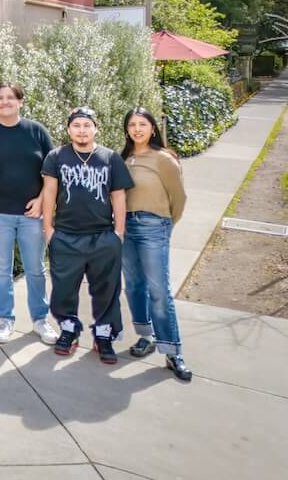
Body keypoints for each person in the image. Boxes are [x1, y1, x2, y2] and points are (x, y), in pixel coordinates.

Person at [0, 82, 58, 345]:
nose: (4, 102)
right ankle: (5, 320)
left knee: (36, 269)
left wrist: (42, 200)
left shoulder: (36, 131)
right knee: (2, 270)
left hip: (32, 215)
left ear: (21, 101)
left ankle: (40, 320)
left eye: (10, 98)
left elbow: (51, 171)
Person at [41, 107, 134, 364]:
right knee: (63, 288)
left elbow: (118, 196)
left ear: (96, 128)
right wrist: (48, 230)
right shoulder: (56, 156)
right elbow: (49, 192)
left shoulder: (111, 158)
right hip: (66, 236)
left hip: (103, 236)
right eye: (77, 125)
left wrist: (118, 233)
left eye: (86, 125)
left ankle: (104, 333)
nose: (82, 130)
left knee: (107, 288)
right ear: (69, 129)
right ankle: (68, 329)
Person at [121, 107, 192, 381]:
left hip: (154, 227)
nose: (137, 129)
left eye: (143, 124)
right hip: (126, 227)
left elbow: (179, 198)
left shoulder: (164, 159)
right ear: (126, 130)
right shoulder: (123, 158)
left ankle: (174, 352)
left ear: (153, 127)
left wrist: (165, 226)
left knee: (159, 290)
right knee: (134, 286)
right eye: (132, 125)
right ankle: (146, 337)